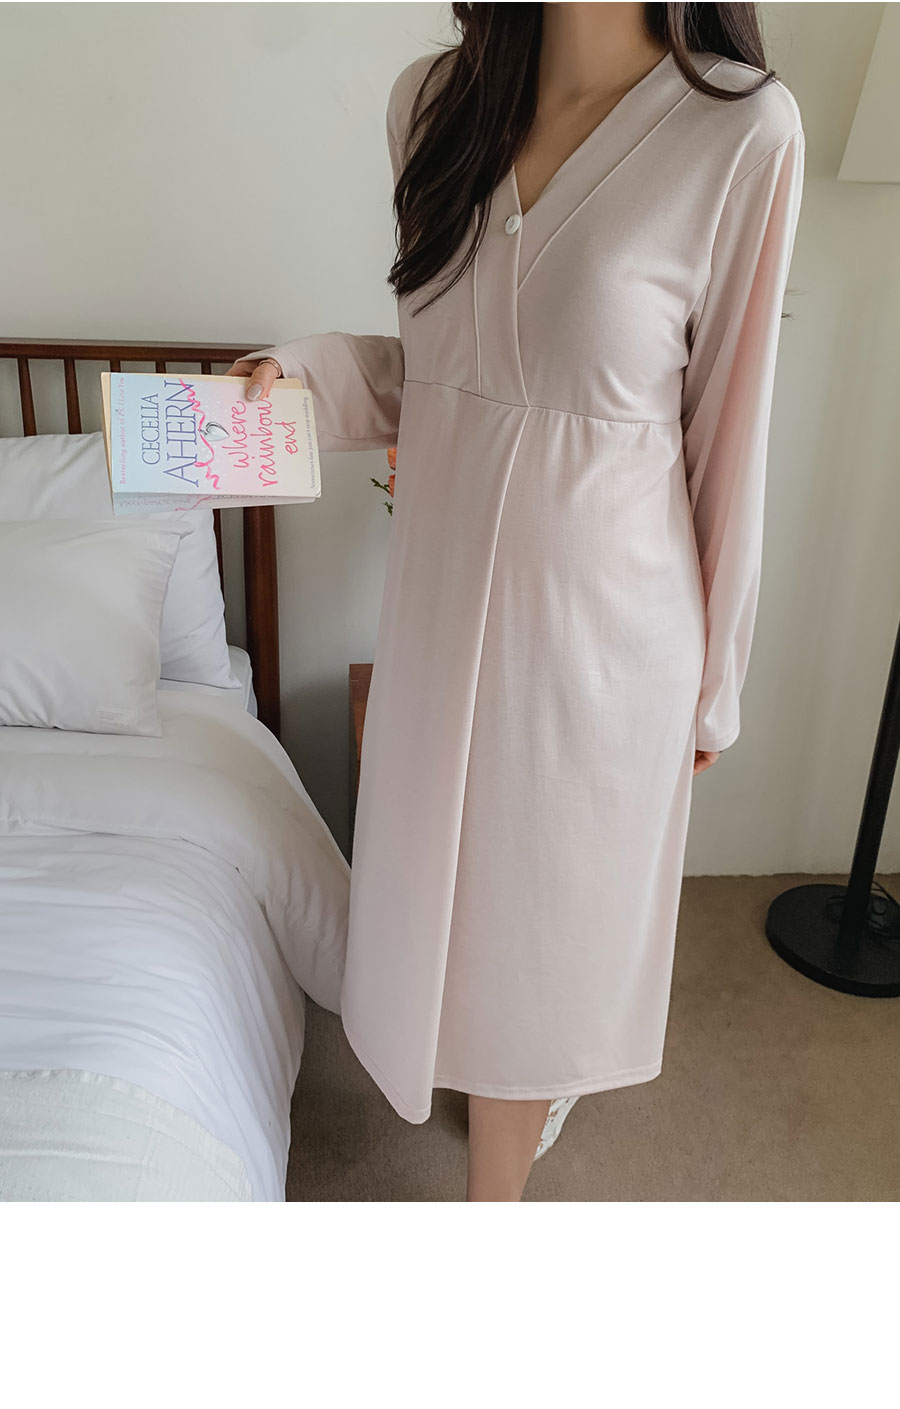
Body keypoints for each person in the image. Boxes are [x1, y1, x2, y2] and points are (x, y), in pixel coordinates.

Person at [227, 2, 805, 1201]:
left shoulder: (743, 131)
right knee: (448, 923)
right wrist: (305, 375)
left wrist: (714, 687)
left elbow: (728, 435)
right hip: (441, 608)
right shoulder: (432, 104)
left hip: (606, 633)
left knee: (540, 944)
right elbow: (446, 373)